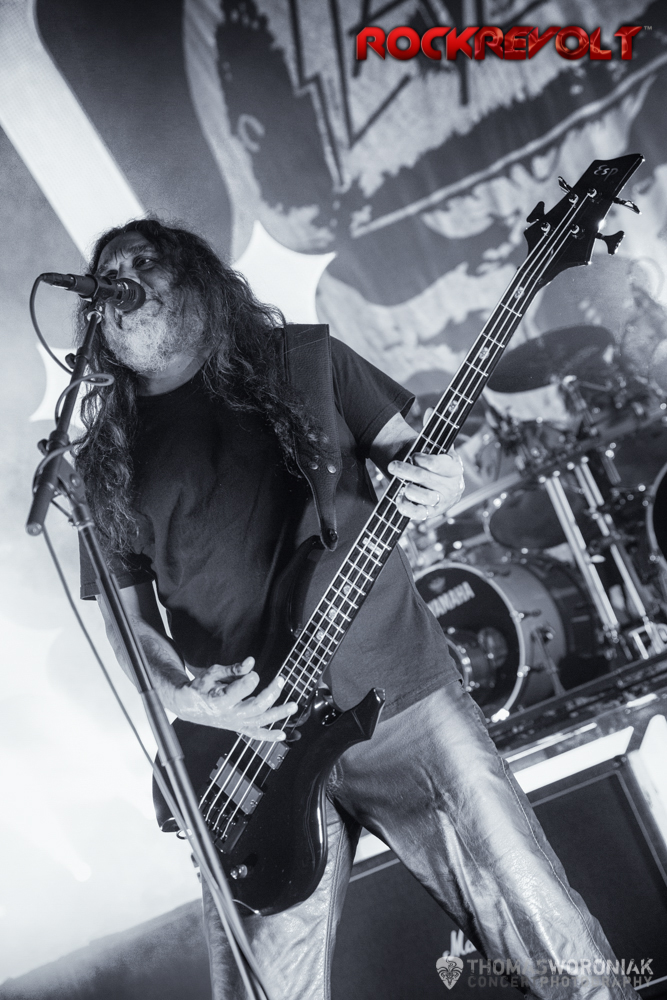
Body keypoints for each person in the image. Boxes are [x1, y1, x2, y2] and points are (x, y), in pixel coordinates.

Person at [77, 219, 635, 1000]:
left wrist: (442, 480)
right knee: (262, 990)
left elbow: (422, 459)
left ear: (196, 278)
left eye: (143, 260)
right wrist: (189, 698)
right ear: (97, 322)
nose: (122, 279)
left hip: (399, 693)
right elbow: (128, 626)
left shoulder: (306, 361)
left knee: (542, 931)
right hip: (246, 752)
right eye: (107, 274)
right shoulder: (101, 458)